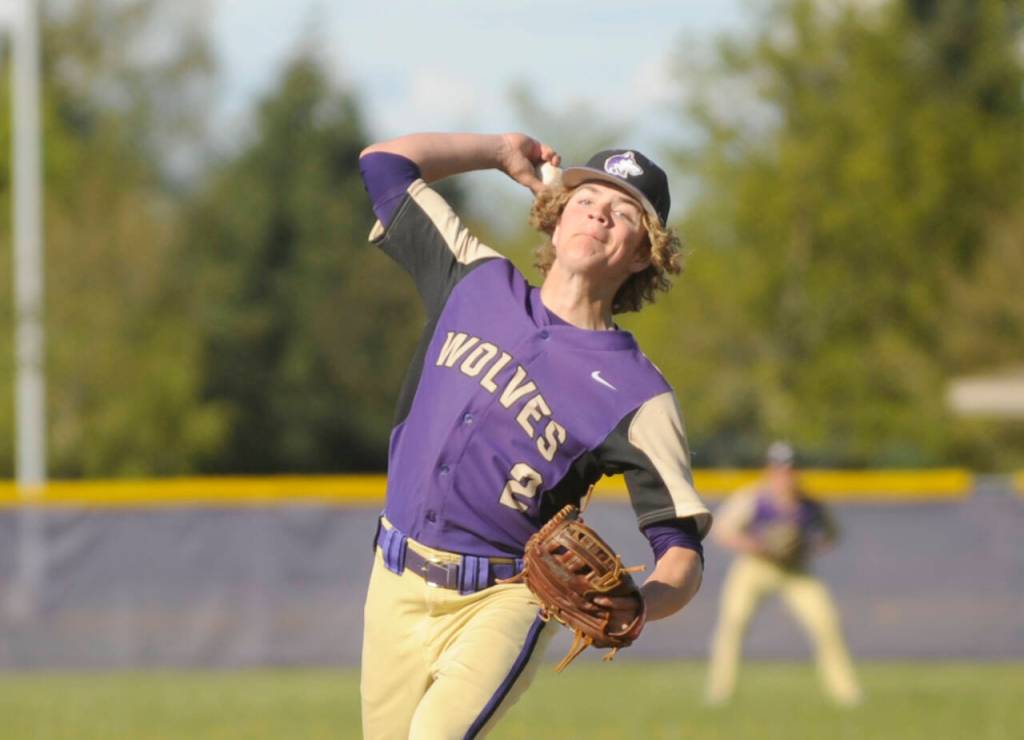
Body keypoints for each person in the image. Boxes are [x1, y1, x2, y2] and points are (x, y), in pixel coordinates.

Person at [357, 132, 712, 739]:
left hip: (503, 599)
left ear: (641, 256)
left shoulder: (638, 392)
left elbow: (680, 550)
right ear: (555, 215)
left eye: (625, 212)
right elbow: (385, 164)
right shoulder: (473, 277)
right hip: (392, 578)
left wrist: (641, 606)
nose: (600, 211)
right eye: (587, 198)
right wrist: (497, 152)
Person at [705, 441, 862, 707]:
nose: (784, 474)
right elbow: (721, 531)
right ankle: (720, 693)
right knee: (733, 623)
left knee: (826, 623)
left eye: (789, 468)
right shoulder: (754, 497)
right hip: (755, 566)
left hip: (795, 569)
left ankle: (846, 694)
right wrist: (757, 544)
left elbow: (832, 535)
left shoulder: (809, 503)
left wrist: (807, 547)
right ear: (768, 470)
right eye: (778, 468)